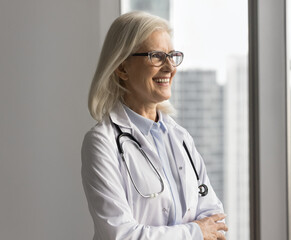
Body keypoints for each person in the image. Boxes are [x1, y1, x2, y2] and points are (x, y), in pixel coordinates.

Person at [81, 11, 228, 240]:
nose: (170, 67)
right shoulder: (102, 143)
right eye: (156, 56)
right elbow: (121, 235)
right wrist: (196, 232)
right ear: (122, 68)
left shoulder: (181, 138)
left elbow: (215, 222)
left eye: (172, 56)